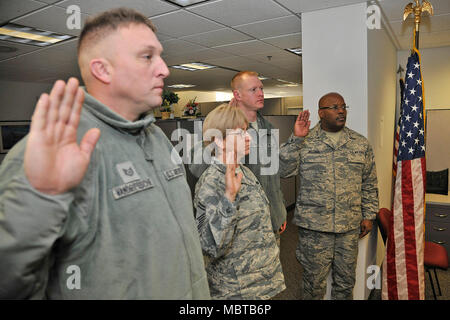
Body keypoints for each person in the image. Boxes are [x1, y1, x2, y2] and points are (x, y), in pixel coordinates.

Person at [0, 8, 210, 299]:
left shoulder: (156, 137)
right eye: (147, 56)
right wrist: (40, 199)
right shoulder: (57, 151)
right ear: (103, 69)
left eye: (159, 55)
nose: (164, 69)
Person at [279, 92, 379, 300]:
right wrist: (296, 139)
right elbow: (283, 170)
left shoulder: (360, 143)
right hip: (314, 229)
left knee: (345, 283)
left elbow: (369, 181)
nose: (341, 110)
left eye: (343, 106)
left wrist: (369, 215)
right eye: (334, 107)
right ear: (321, 113)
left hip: (348, 228)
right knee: (313, 284)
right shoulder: (305, 141)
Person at [194, 103, 285, 299]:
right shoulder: (211, 182)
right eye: (240, 133)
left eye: (247, 131)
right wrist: (229, 198)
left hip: (261, 282)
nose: (248, 137)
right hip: (237, 290)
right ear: (219, 141)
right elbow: (210, 246)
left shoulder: (244, 171)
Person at [189, 71, 288, 245]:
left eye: (261, 88)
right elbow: (196, 167)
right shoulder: (223, 125)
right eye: (253, 89)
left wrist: (279, 211)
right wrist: (223, 128)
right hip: (241, 230)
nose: (261, 93)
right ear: (237, 95)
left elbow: (273, 175)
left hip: (270, 220)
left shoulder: (268, 127)